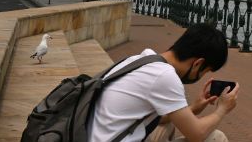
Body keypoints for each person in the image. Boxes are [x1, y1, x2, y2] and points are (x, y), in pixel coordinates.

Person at [89, 23, 241, 142]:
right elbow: (197, 135)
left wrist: (194, 108)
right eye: (205, 71)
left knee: (166, 124)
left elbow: (158, 118)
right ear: (197, 64)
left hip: (93, 135)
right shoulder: (164, 76)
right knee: (216, 138)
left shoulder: (142, 59)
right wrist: (222, 109)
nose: (201, 76)